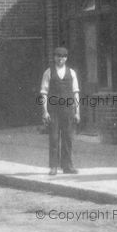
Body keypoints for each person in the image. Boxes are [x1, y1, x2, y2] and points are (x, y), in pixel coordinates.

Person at [40, 47, 80, 175]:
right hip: (53, 111)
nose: (60, 59)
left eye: (63, 56)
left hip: (68, 110)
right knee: (54, 138)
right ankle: (53, 166)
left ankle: (67, 166)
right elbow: (44, 93)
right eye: (57, 56)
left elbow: (76, 93)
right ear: (54, 57)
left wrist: (77, 111)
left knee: (68, 137)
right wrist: (45, 111)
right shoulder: (48, 72)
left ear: (66, 58)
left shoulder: (72, 73)